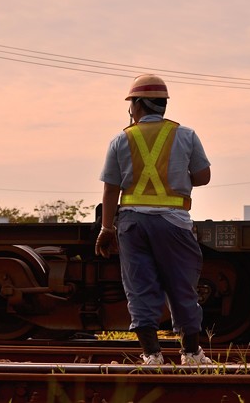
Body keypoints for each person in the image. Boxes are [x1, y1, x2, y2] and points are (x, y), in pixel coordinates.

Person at [95, 74, 212, 365]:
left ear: (137, 104)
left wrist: (106, 228)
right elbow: (203, 177)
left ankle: (151, 355)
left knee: (140, 286)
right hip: (174, 224)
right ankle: (191, 354)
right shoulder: (185, 135)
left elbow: (111, 188)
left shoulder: (122, 138)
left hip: (132, 225)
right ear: (162, 105)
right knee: (182, 285)